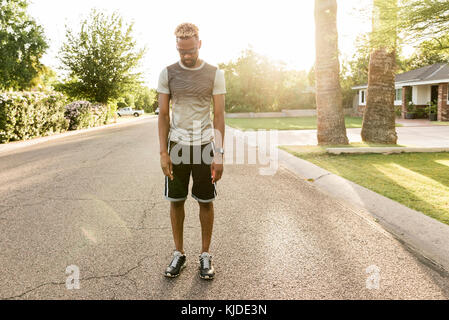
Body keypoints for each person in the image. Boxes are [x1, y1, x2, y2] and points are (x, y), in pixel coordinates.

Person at [157, 23, 226, 280]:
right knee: (176, 201)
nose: (186, 55)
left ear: (199, 43)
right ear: (177, 46)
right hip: (177, 145)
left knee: (206, 201)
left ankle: (205, 254)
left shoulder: (214, 73)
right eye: (181, 50)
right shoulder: (167, 73)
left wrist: (218, 154)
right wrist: (163, 152)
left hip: (204, 146)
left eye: (190, 50)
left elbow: (219, 115)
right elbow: (163, 114)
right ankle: (179, 253)